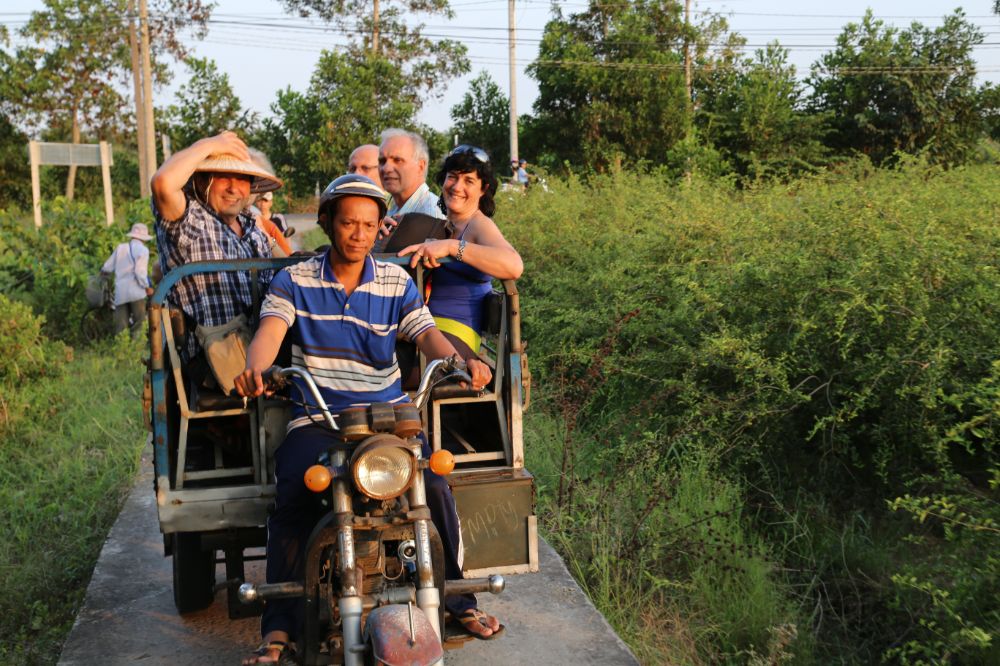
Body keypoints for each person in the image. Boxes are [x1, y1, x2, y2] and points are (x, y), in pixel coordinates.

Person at [234, 174, 500, 664]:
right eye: (348, 222)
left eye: (368, 224)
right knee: (293, 492)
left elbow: (425, 334)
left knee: (435, 490)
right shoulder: (294, 279)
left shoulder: (396, 280)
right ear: (327, 223)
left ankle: (458, 598)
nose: (358, 232)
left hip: (389, 418)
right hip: (319, 416)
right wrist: (256, 368)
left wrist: (460, 362)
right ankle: (279, 628)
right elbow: (271, 332)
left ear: (381, 228)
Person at [150, 130, 281, 391]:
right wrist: (210, 144)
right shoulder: (192, 220)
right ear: (202, 182)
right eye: (223, 177)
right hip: (218, 359)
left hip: (262, 345)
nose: (234, 187)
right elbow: (163, 184)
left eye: (242, 178)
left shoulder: (252, 227)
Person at [397, 145, 523, 361]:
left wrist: (452, 247)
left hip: (454, 333)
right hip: (422, 326)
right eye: (452, 177)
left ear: (483, 189)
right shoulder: (441, 225)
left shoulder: (478, 225)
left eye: (468, 181)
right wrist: (383, 229)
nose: (457, 187)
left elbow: (514, 265)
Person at [101, 222, 154, 338]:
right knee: (139, 323)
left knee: (121, 326)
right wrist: (147, 287)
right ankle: (136, 350)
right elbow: (140, 272)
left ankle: (122, 351)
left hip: (121, 292)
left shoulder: (121, 248)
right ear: (143, 238)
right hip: (136, 292)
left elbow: (107, 267)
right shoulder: (143, 250)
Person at [379, 128, 445, 219]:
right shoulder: (391, 209)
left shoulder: (430, 214)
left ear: (420, 166)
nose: (386, 168)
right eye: (382, 161)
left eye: (397, 160)